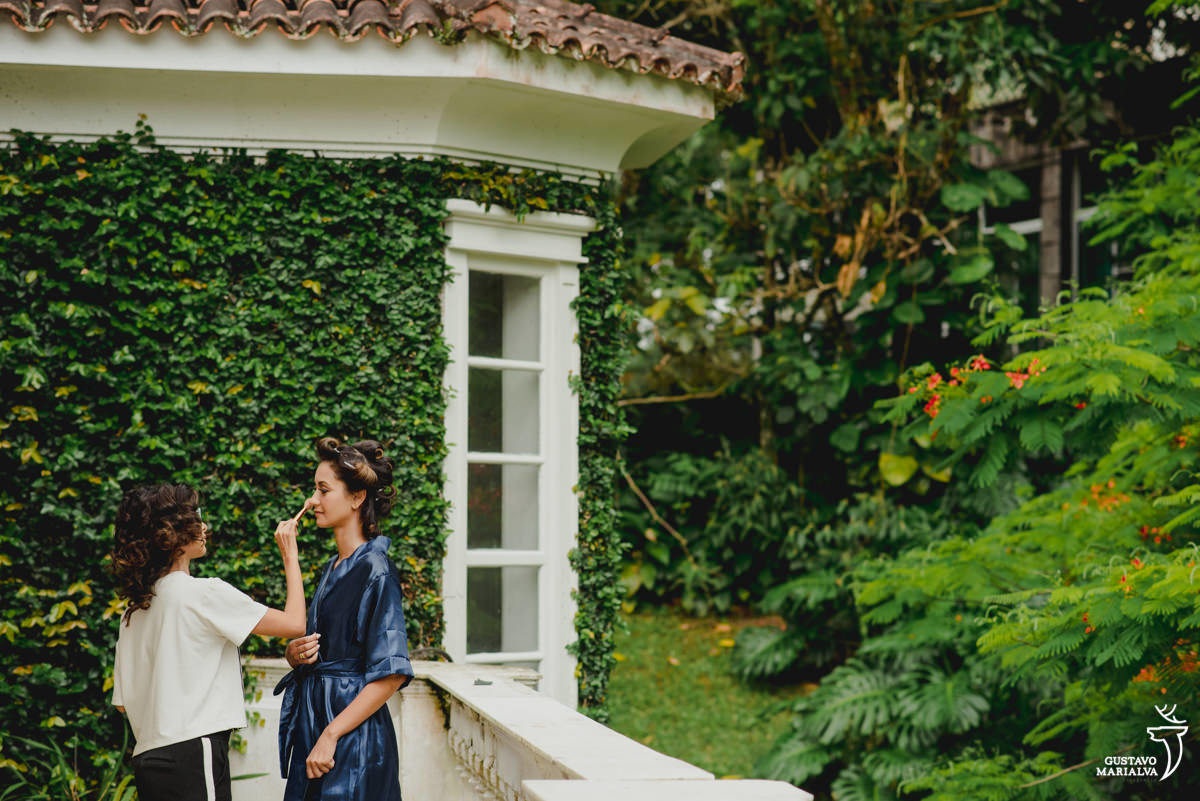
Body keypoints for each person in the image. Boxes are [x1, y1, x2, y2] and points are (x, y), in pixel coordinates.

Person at [109, 483, 307, 801]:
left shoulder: (132, 613)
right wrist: (290, 555)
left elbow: (122, 703)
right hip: (193, 750)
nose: (204, 526)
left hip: (147, 757)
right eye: (195, 517)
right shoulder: (203, 593)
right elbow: (295, 623)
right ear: (170, 534)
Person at [276, 437, 413, 801]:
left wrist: (331, 734)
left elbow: (392, 674)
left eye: (323, 490)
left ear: (357, 498)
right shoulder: (332, 568)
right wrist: (295, 654)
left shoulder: (377, 569)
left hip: (353, 740)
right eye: (314, 490)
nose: (311, 501)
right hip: (318, 725)